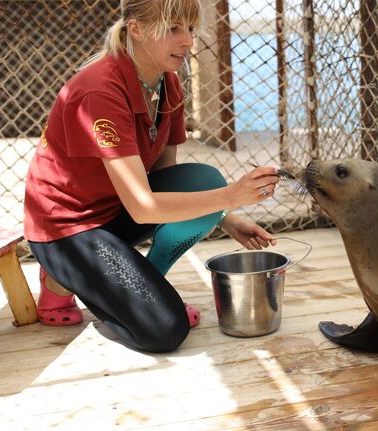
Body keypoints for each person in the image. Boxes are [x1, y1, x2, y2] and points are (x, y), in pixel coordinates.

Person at [23, 0, 280, 352]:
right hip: (67, 227)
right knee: (165, 330)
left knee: (204, 180)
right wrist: (231, 197)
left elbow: (167, 177)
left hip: (115, 209)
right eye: (174, 28)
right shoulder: (100, 89)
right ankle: (61, 277)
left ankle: (147, 283)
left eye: (190, 29)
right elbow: (145, 208)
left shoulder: (167, 83)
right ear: (137, 28)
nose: (188, 41)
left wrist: (225, 216)